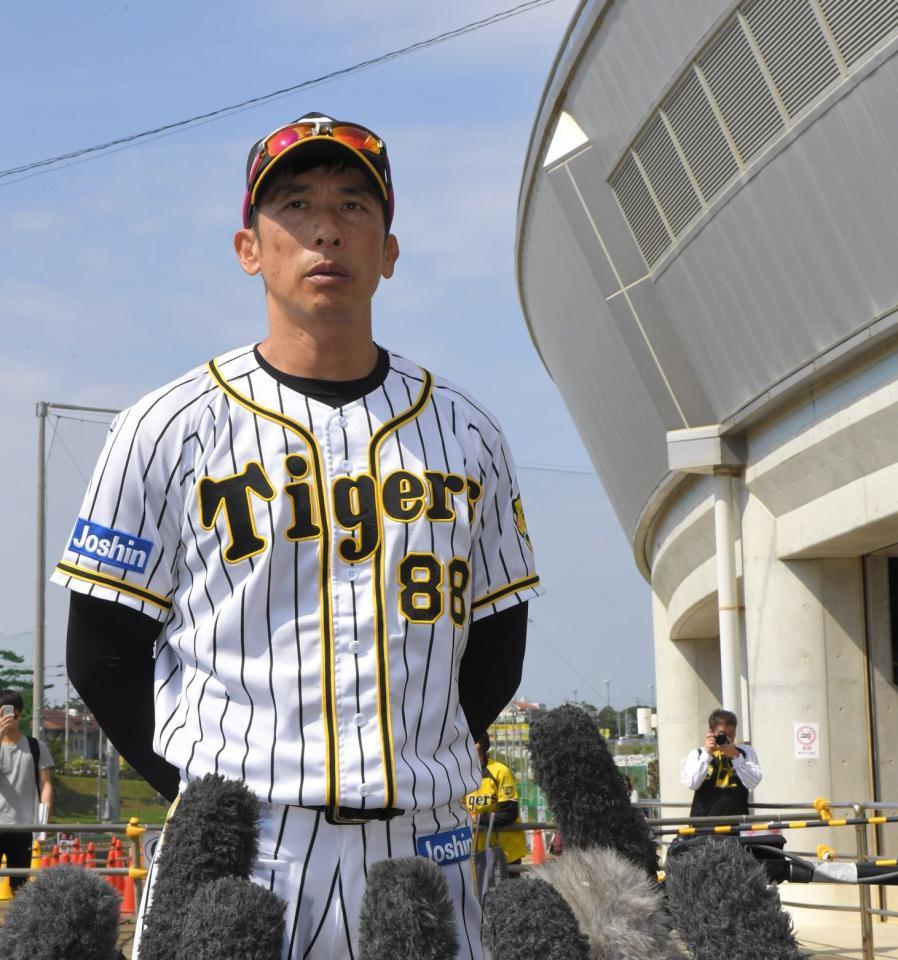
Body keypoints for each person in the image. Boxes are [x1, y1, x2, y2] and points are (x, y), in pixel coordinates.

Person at [52, 111, 542, 959]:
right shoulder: (164, 427)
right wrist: (204, 797)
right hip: (245, 849)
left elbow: (497, 644)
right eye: (295, 205)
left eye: (356, 205)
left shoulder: (469, 432)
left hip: (428, 849)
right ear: (251, 247)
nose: (326, 227)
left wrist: (414, 758)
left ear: (388, 251)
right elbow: (102, 653)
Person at [0, 690, 53, 891]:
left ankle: (19, 923)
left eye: (10, 713)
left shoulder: (35, 746)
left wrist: (43, 824)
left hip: (22, 827)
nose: (6, 718)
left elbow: (46, 784)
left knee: (20, 887)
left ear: (19, 715)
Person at [464, 732, 529, 871]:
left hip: (506, 853)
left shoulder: (500, 771)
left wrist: (477, 818)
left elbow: (509, 812)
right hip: (477, 853)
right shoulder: (462, 774)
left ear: (477, 745)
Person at [680, 708, 761, 818]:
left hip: (737, 826)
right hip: (703, 826)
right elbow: (691, 784)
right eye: (722, 734)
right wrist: (707, 754)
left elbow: (753, 782)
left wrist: (736, 756)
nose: (728, 739)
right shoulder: (697, 754)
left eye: (731, 734)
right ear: (711, 733)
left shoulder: (745, 752)